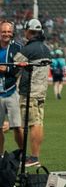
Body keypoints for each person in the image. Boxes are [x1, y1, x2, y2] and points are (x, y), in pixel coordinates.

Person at [13, 18, 52, 164]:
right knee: (38, 123)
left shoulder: (28, 49)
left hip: (29, 92)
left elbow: (14, 66)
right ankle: (35, 155)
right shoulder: (46, 48)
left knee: (29, 124)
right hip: (42, 91)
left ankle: (32, 156)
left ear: (28, 31)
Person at [0, 22, 19, 158]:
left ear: (12, 33)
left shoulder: (17, 48)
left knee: (18, 127)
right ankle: (0, 156)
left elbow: (21, 67)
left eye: (8, 31)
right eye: (3, 31)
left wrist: (7, 69)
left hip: (11, 91)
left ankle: (23, 154)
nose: (6, 34)